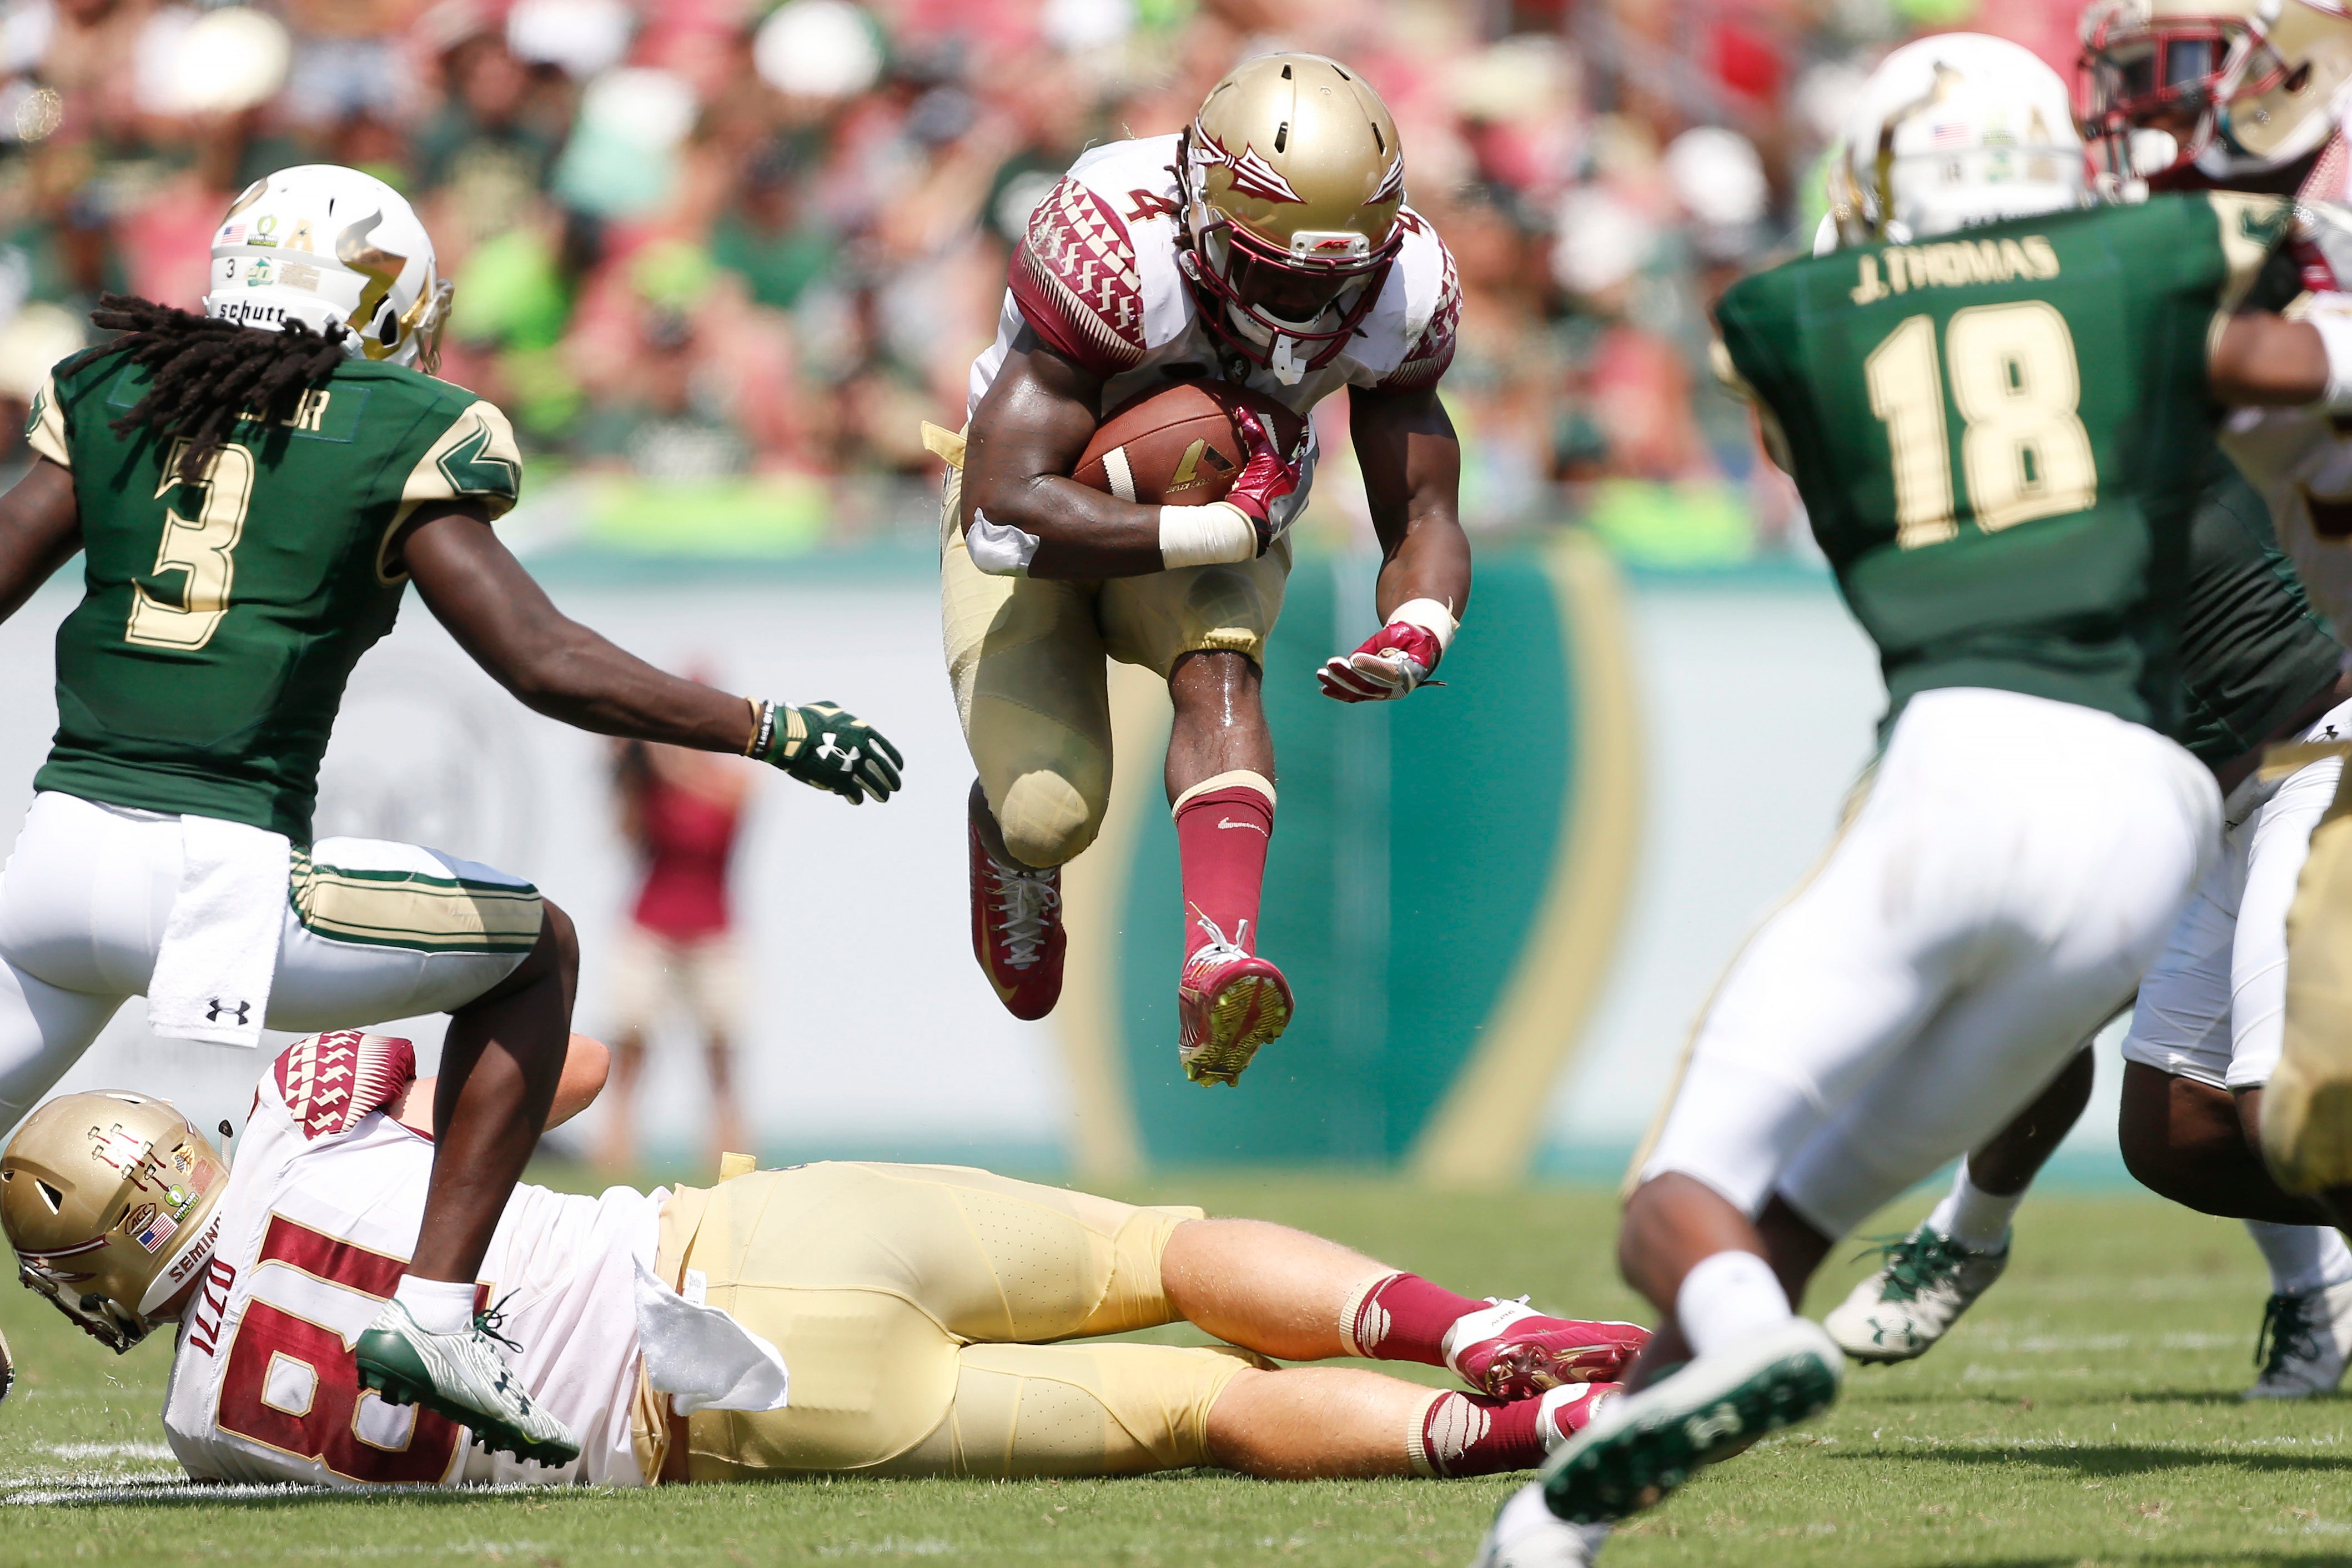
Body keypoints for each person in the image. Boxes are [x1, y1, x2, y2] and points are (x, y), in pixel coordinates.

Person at [1472, 34, 2352, 1566]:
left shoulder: (1786, 320)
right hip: (2145, 799)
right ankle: (1552, 1531)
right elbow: (2279, 347)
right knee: (2186, 1138)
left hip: (2000, 758)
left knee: (1701, 1202)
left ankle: (1763, 1322)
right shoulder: (2144, 259)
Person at [0, 165, 904, 1469]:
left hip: (52, 869)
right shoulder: (392, 421)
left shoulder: (113, 385)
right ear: (380, 304)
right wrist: (757, 724)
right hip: (218, 875)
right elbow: (541, 659)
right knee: (533, 949)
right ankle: (433, 1313)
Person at [0, 1029, 1649, 1487]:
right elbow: (558, 1077)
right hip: (742, 1232)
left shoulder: (206, 1428)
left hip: (743, 1418)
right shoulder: (293, 1111)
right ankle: (1487, 1325)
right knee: (1164, 1244)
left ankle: (1522, 1436)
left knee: (1195, 1410)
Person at [1824, 0, 2352, 1400]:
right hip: (2184, 729)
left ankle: (1962, 1232)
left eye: (2177, 72)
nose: (2138, 104)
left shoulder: (2238, 266)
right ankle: (1994, 1233)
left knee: (2289, 1096)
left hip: (2309, 705)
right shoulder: (2115, 263)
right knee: (2174, 1127)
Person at [932, 51, 1470, 1085]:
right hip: (1040, 519)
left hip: (1222, 510)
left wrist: (1421, 625)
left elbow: (1426, 508)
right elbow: (1006, 513)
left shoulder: (1406, 280)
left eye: (1333, 280)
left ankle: (1217, 953)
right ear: (1202, 212)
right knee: (1054, 811)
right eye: (1273, 271)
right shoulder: (1108, 240)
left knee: (1220, 656)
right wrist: (1212, 531)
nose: (1303, 308)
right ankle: (1008, 836)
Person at [599, 736, 751, 1174]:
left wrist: (661, 759)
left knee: (721, 1052)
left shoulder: (727, 779)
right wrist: (628, 772)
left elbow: (735, 801)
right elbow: (625, 835)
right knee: (630, 1045)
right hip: (650, 928)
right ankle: (614, 1154)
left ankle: (727, 1156)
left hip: (714, 932)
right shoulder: (648, 787)